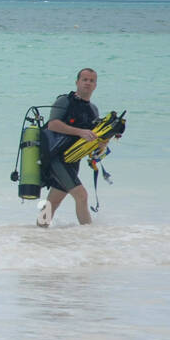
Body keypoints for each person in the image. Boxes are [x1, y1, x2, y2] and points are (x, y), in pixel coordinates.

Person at [39, 68, 101, 227]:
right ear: (77, 82)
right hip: (56, 157)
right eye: (84, 79)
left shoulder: (93, 110)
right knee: (81, 196)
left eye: (91, 80)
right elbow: (53, 125)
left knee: (53, 201)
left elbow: (92, 137)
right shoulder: (64, 101)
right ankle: (89, 234)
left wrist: (102, 144)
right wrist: (80, 132)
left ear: (95, 85)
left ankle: (38, 230)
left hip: (73, 160)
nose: (88, 83)